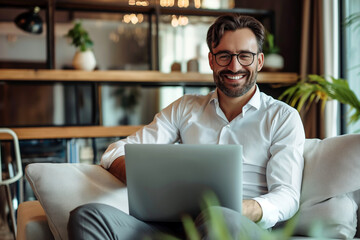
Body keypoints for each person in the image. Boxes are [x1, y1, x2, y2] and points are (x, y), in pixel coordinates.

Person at [68, 14, 305, 240]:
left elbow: (287, 196)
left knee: (220, 216)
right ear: (211, 60)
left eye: (245, 56)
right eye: (224, 56)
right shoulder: (185, 107)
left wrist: (243, 209)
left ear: (259, 61)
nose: (234, 66)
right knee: (88, 216)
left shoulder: (282, 117)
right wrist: (145, 179)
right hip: (176, 225)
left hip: (240, 227)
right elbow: (114, 151)